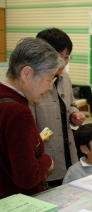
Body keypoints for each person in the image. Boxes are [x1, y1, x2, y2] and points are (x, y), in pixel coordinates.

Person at [0, 38, 63, 198]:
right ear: (26, 73)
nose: (50, 87)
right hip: (16, 200)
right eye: (49, 79)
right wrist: (47, 161)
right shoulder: (18, 112)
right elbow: (26, 177)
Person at [31, 28, 86, 188]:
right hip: (46, 160)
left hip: (69, 154)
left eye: (67, 56)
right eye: (59, 57)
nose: (63, 62)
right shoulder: (32, 84)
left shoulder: (64, 77)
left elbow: (71, 105)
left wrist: (74, 115)